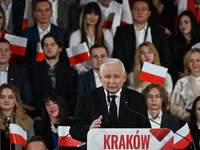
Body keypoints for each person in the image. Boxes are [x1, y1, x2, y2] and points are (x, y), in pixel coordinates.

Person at [70, 58, 150, 142]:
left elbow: (146, 129)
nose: (112, 81)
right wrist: (90, 128)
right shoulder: (86, 99)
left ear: (124, 77)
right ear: (100, 78)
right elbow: (74, 130)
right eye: (107, 77)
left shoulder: (137, 99)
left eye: (116, 76)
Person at [113, 0, 171, 74]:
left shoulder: (159, 32)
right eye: (136, 9)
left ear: (149, 13)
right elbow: (119, 58)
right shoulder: (121, 31)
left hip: (155, 75)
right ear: (132, 12)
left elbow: (166, 59)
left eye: (143, 9)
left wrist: (157, 73)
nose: (140, 12)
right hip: (130, 75)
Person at [28, 32, 77, 117]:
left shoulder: (71, 72)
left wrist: (61, 113)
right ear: (42, 48)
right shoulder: (32, 71)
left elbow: (73, 98)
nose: (49, 48)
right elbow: (32, 97)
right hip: (41, 118)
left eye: (52, 44)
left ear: (60, 48)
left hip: (65, 118)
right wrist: (46, 114)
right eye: (46, 45)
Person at [70, 2, 113, 75]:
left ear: (99, 16)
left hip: (103, 74)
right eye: (89, 13)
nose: (93, 17)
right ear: (84, 15)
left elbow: (109, 56)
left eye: (96, 14)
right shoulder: (75, 35)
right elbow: (75, 62)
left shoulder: (106, 34)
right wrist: (88, 74)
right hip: (82, 75)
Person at [21, 0, 68, 67]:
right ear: (34, 14)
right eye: (40, 11)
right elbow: (24, 61)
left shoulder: (62, 33)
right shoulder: (26, 34)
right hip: (33, 74)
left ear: (51, 13)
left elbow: (64, 60)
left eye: (47, 10)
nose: (43, 14)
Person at [0, 84, 35, 149]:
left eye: (10, 97)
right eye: (2, 97)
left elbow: (31, 147)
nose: (6, 100)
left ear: (16, 100)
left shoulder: (27, 121)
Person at [169, 11, 200, 84]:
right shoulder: (173, 40)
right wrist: (178, 73)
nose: (183, 25)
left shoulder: (199, 40)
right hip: (178, 78)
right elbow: (169, 62)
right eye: (180, 23)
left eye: (186, 22)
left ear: (193, 23)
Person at [170, 49, 200, 123]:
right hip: (189, 121)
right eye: (191, 61)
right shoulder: (181, 82)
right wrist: (185, 116)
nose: (195, 63)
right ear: (187, 64)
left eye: (198, 60)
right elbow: (175, 107)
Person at [0, 38, 32, 105]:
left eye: (6, 50)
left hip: (15, 114)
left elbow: (27, 100)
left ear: (10, 54)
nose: (3, 53)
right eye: (0, 50)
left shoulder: (21, 72)